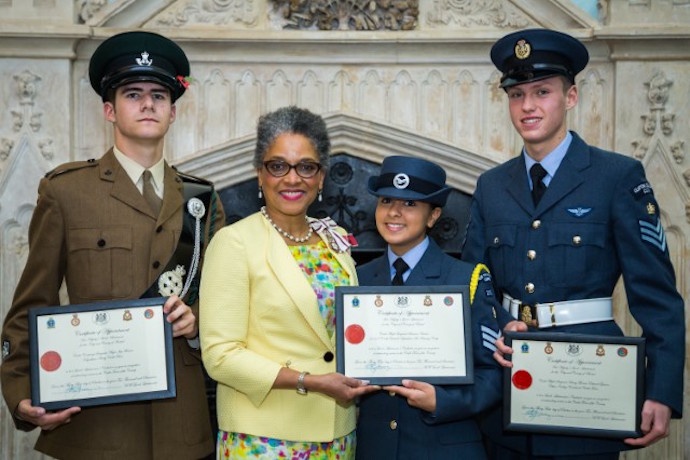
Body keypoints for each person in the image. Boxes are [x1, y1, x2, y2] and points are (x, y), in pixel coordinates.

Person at [461, 28, 685, 459]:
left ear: (571, 97)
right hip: (506, 390)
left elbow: (657, 296)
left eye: (542, 92)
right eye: (516, 94)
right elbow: (474, 282)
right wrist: (495, 330)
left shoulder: (616, 177)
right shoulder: (491, 185)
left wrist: (661, 391)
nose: (528, 106)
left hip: (588, 386)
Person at [0, 31, 225, 459]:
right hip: (96, 425)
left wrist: (197, 325)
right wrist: (21, 393)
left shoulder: (202, 200)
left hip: (181, 425)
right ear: (109, 109)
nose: (148, 104)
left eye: (159, 95)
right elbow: (31, 303)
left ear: (173, 112)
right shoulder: (66, 192)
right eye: (133, 94)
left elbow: (223, 305)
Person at [199, 105, 378, 459]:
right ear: (259, 174)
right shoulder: (234, 242)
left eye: (306, 166)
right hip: (264, 440)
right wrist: (309, 381)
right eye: (277, 166)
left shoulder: (335, 238)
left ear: (322, 176)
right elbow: (220, 356)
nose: (292, 179)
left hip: (337, 434)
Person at [355, 155, 503, 459]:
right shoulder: (357, 278)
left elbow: (494, 374)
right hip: (375, 448)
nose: (394, 212)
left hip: (444, 448)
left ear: (433, 216)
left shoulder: (467, 279)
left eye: (410, 204)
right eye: (386, 201)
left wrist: (443, 402)